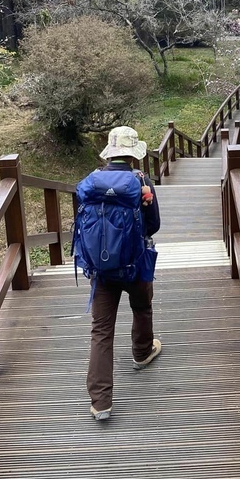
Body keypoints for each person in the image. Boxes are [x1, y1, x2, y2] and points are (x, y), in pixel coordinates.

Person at [86, 126, 161, 422]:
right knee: (142, 306)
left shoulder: (92, 182)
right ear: (133, 154)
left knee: (101, 331)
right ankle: (142, 352)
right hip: (136, 263)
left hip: (102, 269)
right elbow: (154, 225)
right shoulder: (141, 181)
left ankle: (101, 402)